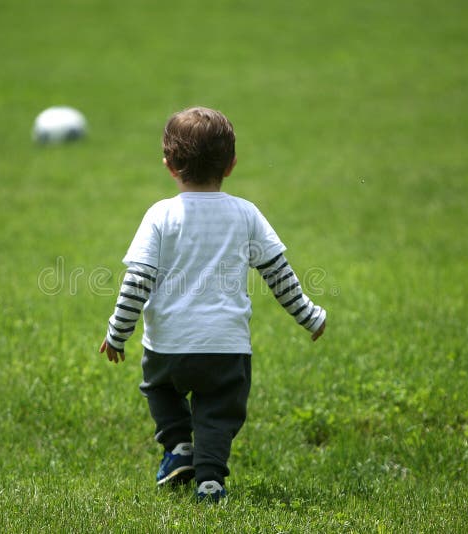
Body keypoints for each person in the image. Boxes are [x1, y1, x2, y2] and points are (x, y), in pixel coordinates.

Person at [98, 106, 326, 503]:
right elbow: (279, 275)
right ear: (232, 164)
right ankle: (209, 481)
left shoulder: (160, 215)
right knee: (217, 414)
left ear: (169, 164)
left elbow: (137, 281)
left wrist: (117, 333)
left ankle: (178, 446)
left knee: (160, 390)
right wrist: (309, 315)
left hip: (168, 347)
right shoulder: (245, 214)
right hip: (226, 348)